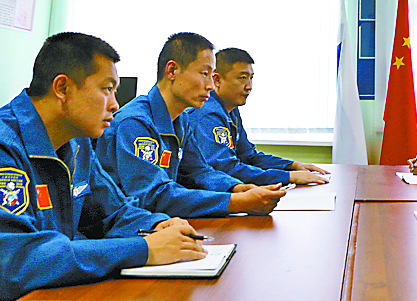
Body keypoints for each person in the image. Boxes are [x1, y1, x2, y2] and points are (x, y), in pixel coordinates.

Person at [0, 32, 207, 301]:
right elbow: (17, 262)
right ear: (63, 88)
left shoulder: (76, 142)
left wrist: (157, 225)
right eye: (107, 89)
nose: (115, 104)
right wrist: (145, 249)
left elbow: (112, 212)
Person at [97, 32, 286, 217]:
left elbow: (197, 171)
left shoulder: (180, 120)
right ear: (172, 71)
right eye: (204, 74)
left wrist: (235, 188)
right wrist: (235, 202)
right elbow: (152, 196)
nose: (210, 85)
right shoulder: (134, 123)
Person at [181, 47, 330, 187]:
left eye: (251, 78)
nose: (249, 86)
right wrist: (288, 177)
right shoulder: (207, 115)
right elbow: (227, 169)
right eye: (242, 78)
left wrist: (293, 165)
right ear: (217, 80)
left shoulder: (230, 109)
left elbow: (248, 156)